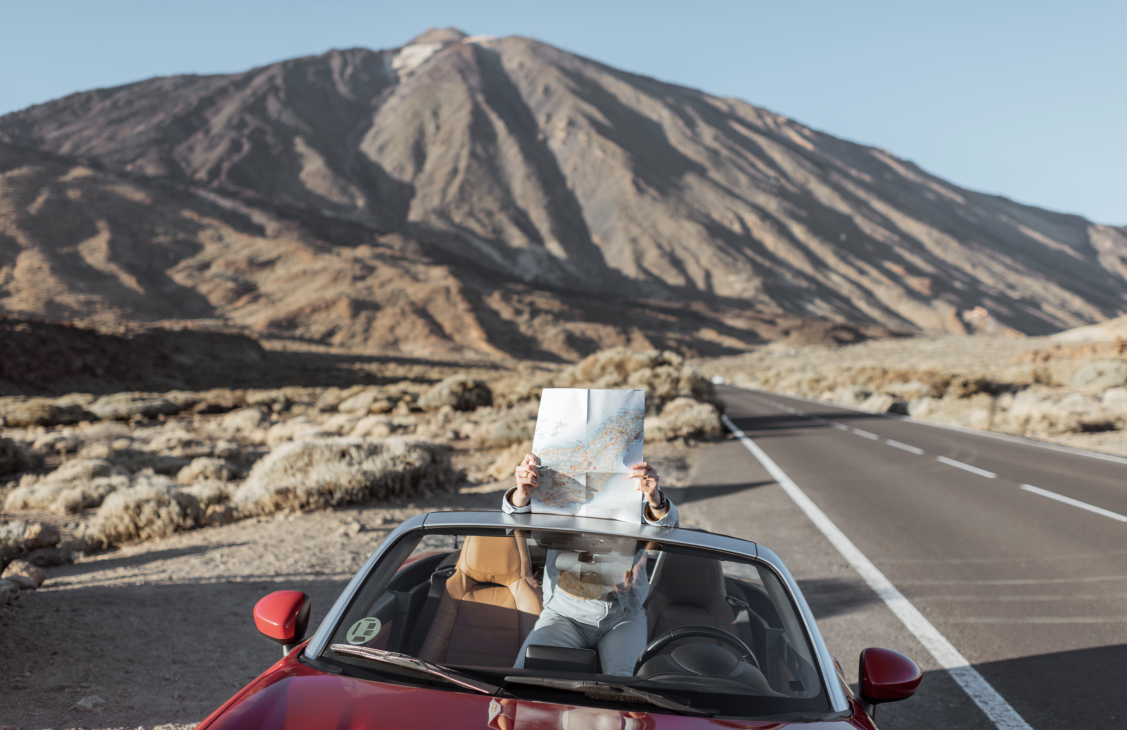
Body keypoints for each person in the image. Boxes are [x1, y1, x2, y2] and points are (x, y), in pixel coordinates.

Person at [501, 453, 678, 676]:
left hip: (624, 615)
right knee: (521, 678)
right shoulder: (553, 483)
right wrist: (521, 494)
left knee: (629, 688)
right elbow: (513, 521)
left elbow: (667, 531)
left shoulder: (631, 485)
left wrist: (657, 502)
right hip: (564, 613)